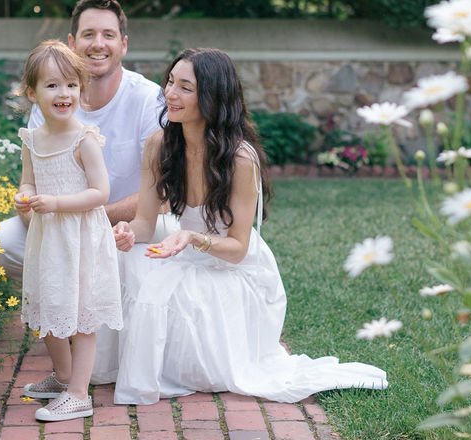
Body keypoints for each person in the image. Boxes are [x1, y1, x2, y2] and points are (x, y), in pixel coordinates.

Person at [111, 48, 388, 405]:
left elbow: (239, 249)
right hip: (187, 250)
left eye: (185, 87)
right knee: (127, 262)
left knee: (168, 286)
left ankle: (185, 363)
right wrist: (129, 234)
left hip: (234, 267)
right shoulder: (159, 144)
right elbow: (146, 224)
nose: (170, 94)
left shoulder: (240, 159)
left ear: (212, 97)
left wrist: (193, 237)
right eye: (169, 82)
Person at [0, 0, 174, 388]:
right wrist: (32, 209)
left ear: (124, 44)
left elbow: (165, 192)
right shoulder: (50, 98)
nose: (98, 43)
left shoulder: (147, 99)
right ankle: (63, 351)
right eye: (88, 34)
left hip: (131, 224)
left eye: (108, 34)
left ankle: (85, 359)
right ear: (71, 43)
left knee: (94, 270)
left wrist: (80, 220)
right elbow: (35, 175)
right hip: (60, 222)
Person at [14, 40, 121, 422]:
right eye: (53, 85)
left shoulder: (84, 139)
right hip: (49, 240)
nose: (64, 94)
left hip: (81, 240)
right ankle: (62, 377)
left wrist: (57, 203)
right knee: (48, 309)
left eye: (72, 85)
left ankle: (79, 393)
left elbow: (100, 193)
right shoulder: (32, 140)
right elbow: (29, 180)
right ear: (32, 93)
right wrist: (25, 196)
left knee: (80, 316)